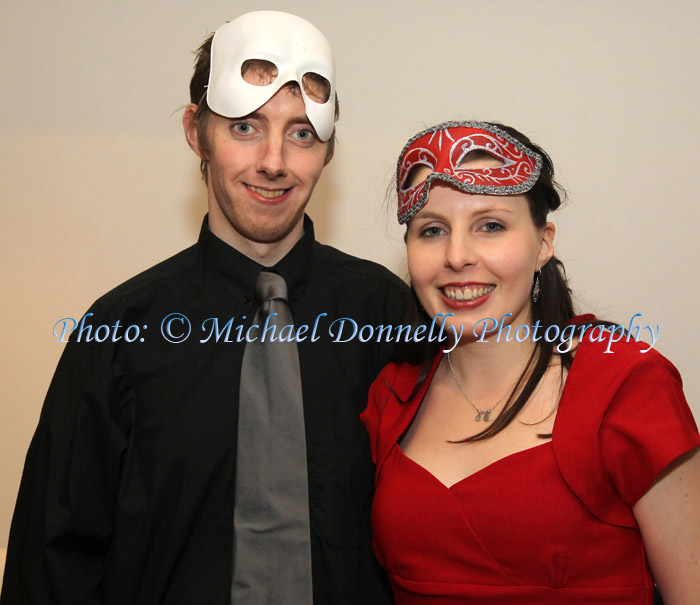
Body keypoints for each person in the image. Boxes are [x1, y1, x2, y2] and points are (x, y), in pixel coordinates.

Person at [1, 11, 405, 604]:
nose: (274, 161)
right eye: (246, 127)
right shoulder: (116, 333)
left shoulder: (388, 317)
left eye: (301, 133)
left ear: (329, 147)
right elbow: (52, 559)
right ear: (196, 131)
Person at [361, 120, 700, 604]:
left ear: (543, 243)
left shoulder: (626, 387)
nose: (457, 256)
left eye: (491, 226)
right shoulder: (392, 396)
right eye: (432, 230)